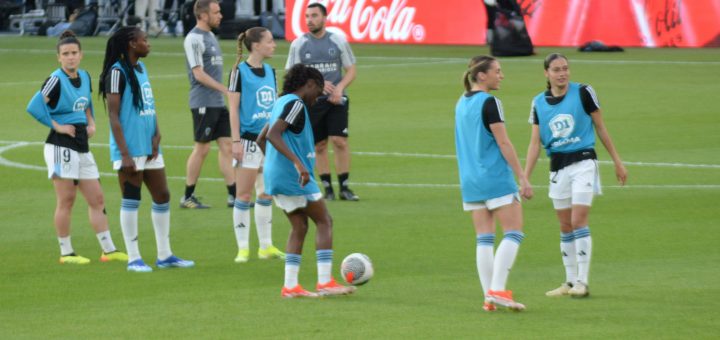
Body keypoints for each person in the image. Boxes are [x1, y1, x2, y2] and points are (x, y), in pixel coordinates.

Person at [524, 53, 628, 297]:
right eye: (557, 69)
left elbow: (601, 127)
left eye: (565, 68)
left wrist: (617, 161)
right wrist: (525, 176)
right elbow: (534, 143)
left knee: (579, 219)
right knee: (565, 225)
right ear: (546, 73)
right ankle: (569, 282)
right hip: (557, 167)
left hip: (583, 162)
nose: (562, 73)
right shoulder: (538, 102)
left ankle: (582, 281)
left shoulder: (584, 92)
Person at [25, 30, 128, 265]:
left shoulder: (85, 76)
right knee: (67, 200)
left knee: (97, 198)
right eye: (65, 54)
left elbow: (87, 103)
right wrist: (58, 126)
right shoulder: (55, 80)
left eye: (74, 53)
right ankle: (66, 253)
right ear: (59, 58)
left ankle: (108, 250)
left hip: (81, 146)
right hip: (60, 146)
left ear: (81, 55)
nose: (70, 57)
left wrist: (90, 122)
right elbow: (34, 106)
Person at [99, 26, 195, 272]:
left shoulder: (142, 68)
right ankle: (134, 258)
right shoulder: (117, 73)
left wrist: (157, 133)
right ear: (132, 44)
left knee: (162, 195)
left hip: (150, 145)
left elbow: (148, 105)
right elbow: (113, 115)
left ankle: (165, 255)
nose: (148, 43)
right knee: (131, 199)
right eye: (145, 40)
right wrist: (124, 154)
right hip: (129, 148)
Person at [259, 64, 356, 298]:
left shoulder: (280, 102)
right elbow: (272, 135)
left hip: (276, 176)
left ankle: (290, 286)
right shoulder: (295, 104)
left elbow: (262, 137)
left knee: (299, 226)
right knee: (324, 220)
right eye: (319, 89)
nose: (319, 96)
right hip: (295, 177)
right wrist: (297, 163)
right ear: (309, 84)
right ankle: (325, 282)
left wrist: (274, 164)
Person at [454, 56, 532, 311]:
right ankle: (498, 289)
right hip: (495, 177)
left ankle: (489, 297)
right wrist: (522, 175)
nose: (502, 75)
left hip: (470, 180)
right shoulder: (490, 102)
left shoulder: (460, 103)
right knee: (513, 232)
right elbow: (504, 142)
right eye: (497, 71)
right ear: (481, 75)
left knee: (484, 239)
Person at [285, 2, 359, 201]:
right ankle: (327, 188)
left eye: (314, 16)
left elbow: (351, 70)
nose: (310, 20)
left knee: (340, 141)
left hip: (336, 100)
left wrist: (340, 88)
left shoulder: (338, 41)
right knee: (319, 145)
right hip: (312, 103)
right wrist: (316, 84)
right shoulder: (299, 44)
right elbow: (291, 75)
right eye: (307, 16)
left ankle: (344, 187)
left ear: (324, 18)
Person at [227, 27, 285, 263]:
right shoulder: (238, 72)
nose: (274, 45)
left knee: (266, 193)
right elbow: (233, 108)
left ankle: (266, 246)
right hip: (248, 141)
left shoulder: (271, 71)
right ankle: (243, 248)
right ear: (257, 45)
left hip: (268, 141)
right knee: (243, 194)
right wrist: (235, 141)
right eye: (270, 41)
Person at [180, 0, 235, 209]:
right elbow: (198, 73)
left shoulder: (211, 36)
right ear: (203, 15)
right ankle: (187, 196)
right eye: (216, 12)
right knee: (201, 149)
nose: (220, 15)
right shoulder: (193, 39)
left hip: (217, 102)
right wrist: (225, 89)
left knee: (227, 146)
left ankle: (233, 195)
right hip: (203, 102)